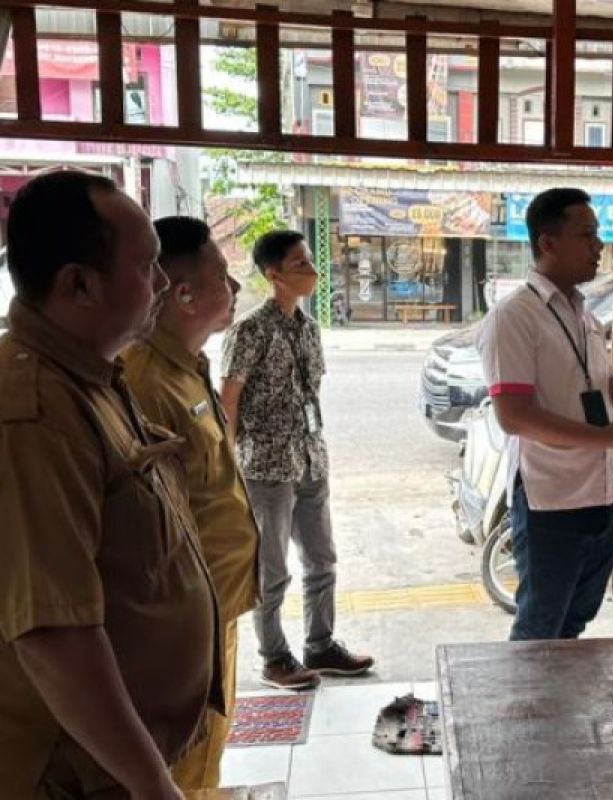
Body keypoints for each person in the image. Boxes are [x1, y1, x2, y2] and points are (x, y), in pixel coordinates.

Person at [0, 171, 218, 798]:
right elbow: (55, 635)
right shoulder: (34, 413)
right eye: (147, 266)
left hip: (117, 766)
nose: (160, 285)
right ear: (79, 283)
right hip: (75, 774)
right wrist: (153, 786)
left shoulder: (94, 378)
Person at [478, 187, 613, 641]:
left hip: (605, 495)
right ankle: (526, 713)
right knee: (541, 627)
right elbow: (514, 416)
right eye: (587, 235)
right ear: (547, 243)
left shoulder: (584, 315)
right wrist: (609, 440)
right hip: (552, 501)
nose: (599, 247)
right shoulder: (514, 316)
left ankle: (558, 710)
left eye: (599, 235)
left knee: (574, 623)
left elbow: (602, 402)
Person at [123, 217, 259, 792]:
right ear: (183, 294)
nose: (234, 289)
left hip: (213, 608)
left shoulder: (189, 367)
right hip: (178, 625)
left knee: (209, 749)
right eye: (223, 276)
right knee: (183, 758)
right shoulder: (146, 380)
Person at [221, 230, 373, 689]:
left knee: (322, 558)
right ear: (273, 275)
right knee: (272, 569)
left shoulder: (308, 327)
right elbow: (229, 401)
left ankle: (320, 646)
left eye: (309, 261)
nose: (313, 271)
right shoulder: (249, 331)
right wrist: (227, 465)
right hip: (266, 465)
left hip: (310, 457)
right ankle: (274, 657)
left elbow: (311, 390)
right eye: (301, 265)